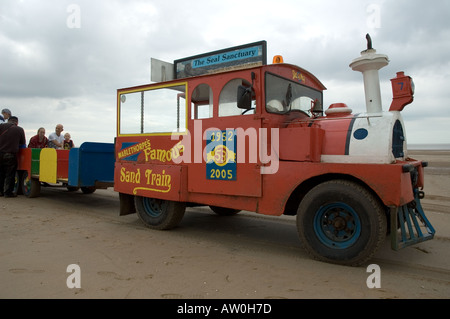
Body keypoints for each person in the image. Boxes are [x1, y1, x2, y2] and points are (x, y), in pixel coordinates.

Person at [0, 116, 26, 197]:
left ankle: (0, 192)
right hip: (11, 154)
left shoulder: (1, 126)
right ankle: (8, 192)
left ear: (8, 121)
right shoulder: (19, 129)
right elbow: (23, 144)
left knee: (1, 173)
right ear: (17, 122)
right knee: (10, 174)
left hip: (0, 153)